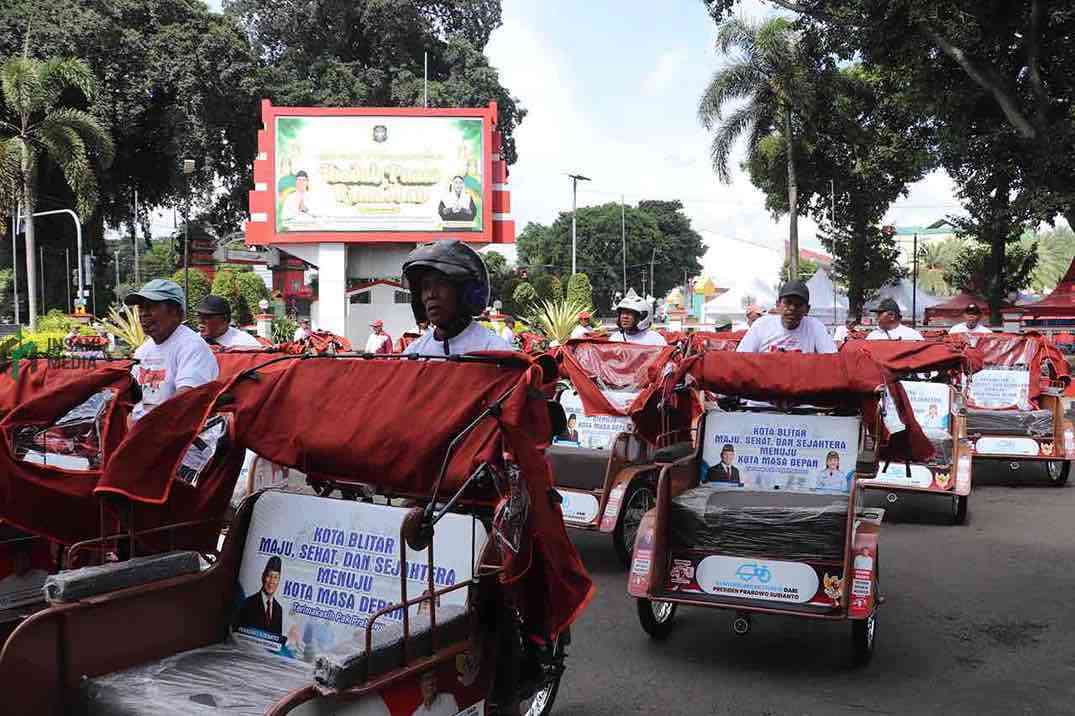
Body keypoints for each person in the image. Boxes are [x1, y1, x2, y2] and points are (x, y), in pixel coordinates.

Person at [125, 279, 219, 422]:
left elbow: (186, 399)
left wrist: (144, 427)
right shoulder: (142, 351)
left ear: (176, 312)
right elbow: (129, 396)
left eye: (151, 307)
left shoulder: (192, 346)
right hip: (143, 432)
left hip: (182, 437)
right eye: (141, 308)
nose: (143, 314)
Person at [401, 240, 512, 356]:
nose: (431, 295)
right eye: (425, 287)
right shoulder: (414, 354)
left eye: (441, 284)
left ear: (466, 292)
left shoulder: (495, 352)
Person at [736, 280, 836, 353]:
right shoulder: (761, 325)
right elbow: (742, 358)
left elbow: (831, 359)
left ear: (807, 309)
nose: (792, 308)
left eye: (798, 304)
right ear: (778, 305)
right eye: (788, 303)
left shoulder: (815, 326)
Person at [235, 556, 284, 636]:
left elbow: (277, 641)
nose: (272, 581)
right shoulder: (248, 603)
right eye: (269, 576)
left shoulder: (279, 609)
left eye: (275, 577)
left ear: (279, 581)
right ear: (263, 577)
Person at [197, 295, 261, 348]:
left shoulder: (246, 343)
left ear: (225, 319)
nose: (200, 321)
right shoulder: (194, 341)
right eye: (199, 316)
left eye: (207, 317)